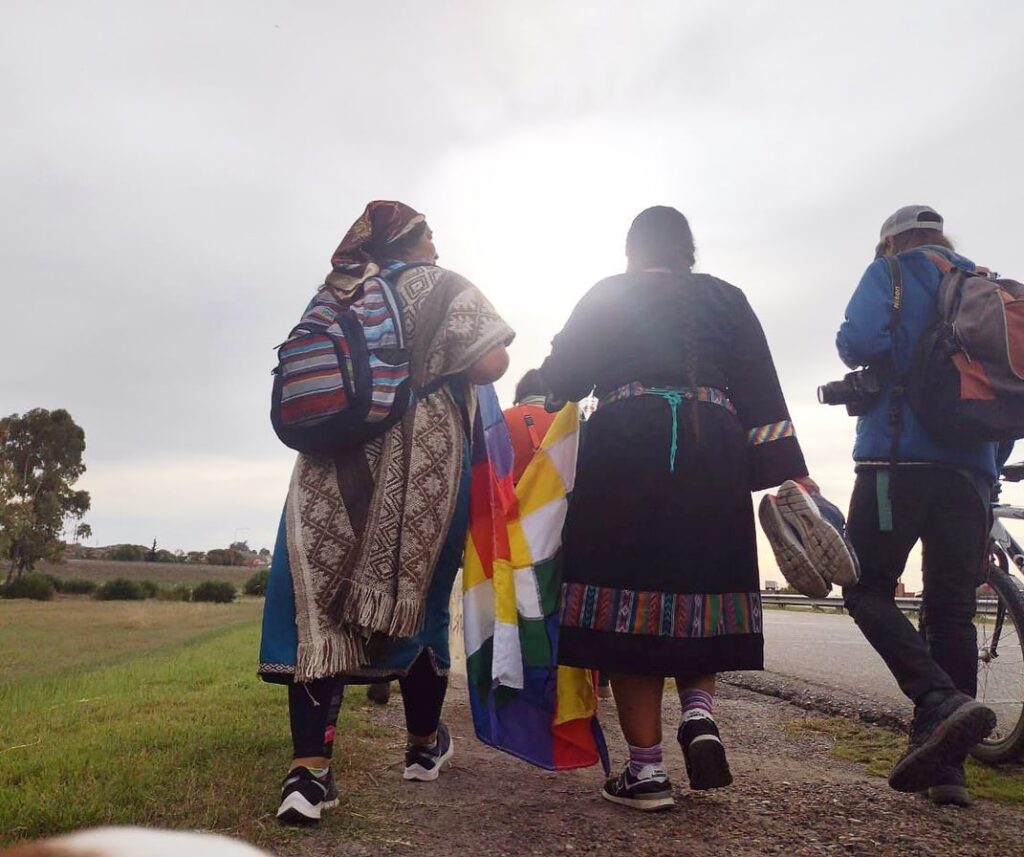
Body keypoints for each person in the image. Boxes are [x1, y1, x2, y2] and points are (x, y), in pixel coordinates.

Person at [540, 205, 814, 810]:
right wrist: (792, 474)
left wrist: (531, 396)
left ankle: (646, 773)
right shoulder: (727, 299)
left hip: (624, 446)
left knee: (628, 602)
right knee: (698, 591)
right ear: (688, 250)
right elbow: (762, 387)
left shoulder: (608, 295)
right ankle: (698, 715)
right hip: (712, 446)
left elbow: (563, 374)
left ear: (633, 250)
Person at [259, 200, 513, 824]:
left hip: (330, 462)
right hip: (419, 459)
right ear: (415, 241)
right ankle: (423, 749)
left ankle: (309, 775)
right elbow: (490, 362)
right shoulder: (443, 283)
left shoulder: (339, 289)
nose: (437, 242)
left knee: (317, 605)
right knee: (419, 604)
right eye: (430, 233)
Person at [837, 206, 999, 807]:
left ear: (892, 240)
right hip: (971, 472)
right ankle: (948, 772)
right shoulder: (985, 286)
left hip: (896, 462)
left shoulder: (893, 273)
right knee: (952, 611)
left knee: (864, 587)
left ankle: (938, 698)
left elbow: (856, 341)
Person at [504, 369, 559, 485]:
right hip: (552, 497)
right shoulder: (564, 421)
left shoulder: (505, 418)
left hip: (514, 494)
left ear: (521, 390)